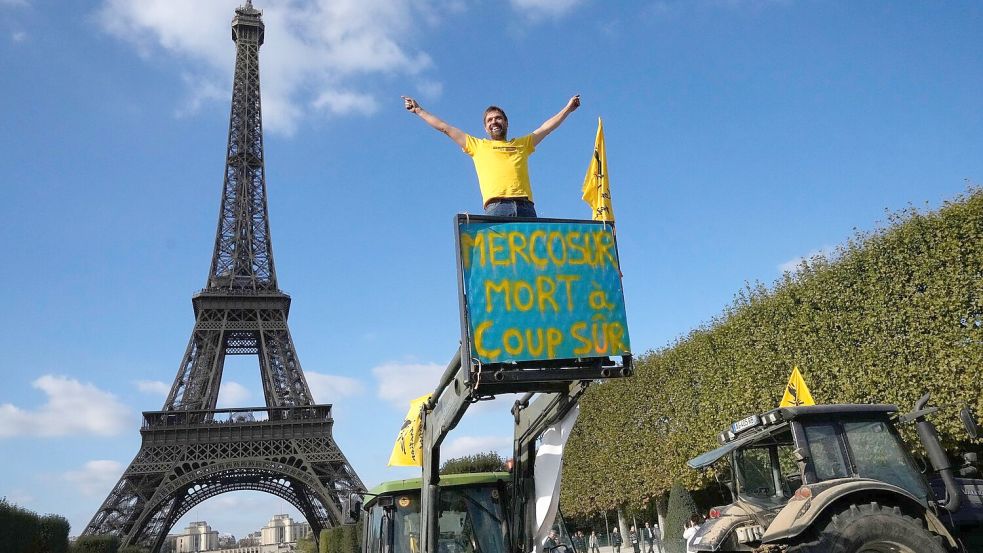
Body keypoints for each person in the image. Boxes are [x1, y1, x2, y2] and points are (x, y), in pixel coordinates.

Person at [401, 95, 581, 217]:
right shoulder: (477, 146)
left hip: (526, 207)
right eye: (489, 120)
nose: (494, 121)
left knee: (529, 265)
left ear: (506, 122)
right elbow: (445, 128)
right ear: (485, 128)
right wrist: (419, 110)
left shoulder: (522, 144)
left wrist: (568, 109)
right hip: (497, 208)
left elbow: (546, 128)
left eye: (498, 118)